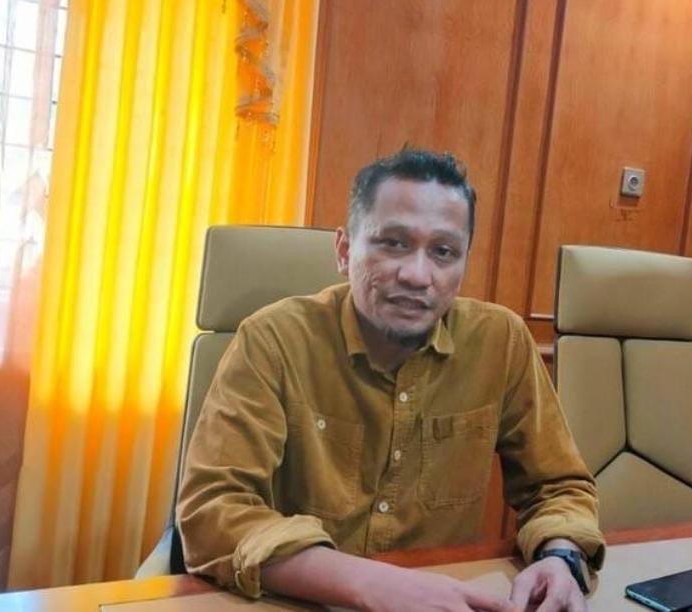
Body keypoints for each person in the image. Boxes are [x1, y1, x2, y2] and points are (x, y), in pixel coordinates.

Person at [177, 148, 604, 611]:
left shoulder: (500, 342)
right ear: (344, 251)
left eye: (443, 252)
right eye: (393, 243)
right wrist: (369, 583)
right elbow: (213, 508)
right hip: (298, 601)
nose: (418, 275)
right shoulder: (273, 340)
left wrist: (560, 557)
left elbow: (557, 486)